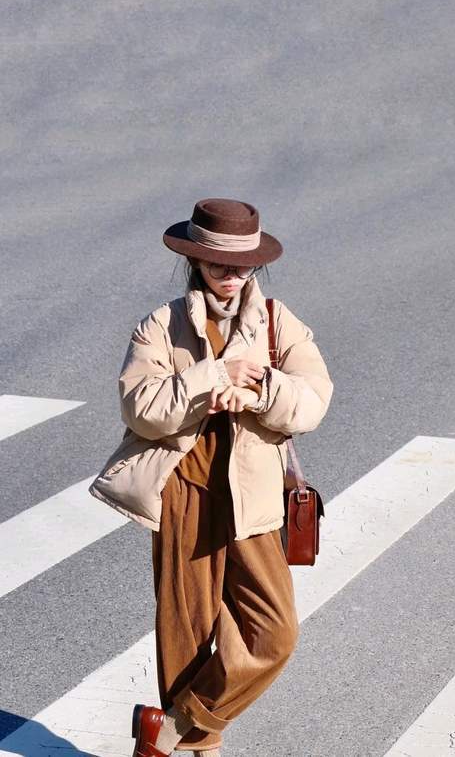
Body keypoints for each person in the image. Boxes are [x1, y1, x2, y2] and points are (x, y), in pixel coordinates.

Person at [89, 198, 333, 756]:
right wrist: (210, 376)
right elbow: (141, 409)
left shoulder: (278, 323)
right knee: (188, 633)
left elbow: (312, 402)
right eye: (220, 264)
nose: (232, 275)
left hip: (252, 498)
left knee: (275, 633)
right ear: (195, 261)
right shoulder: (162, 324)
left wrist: (256, 388)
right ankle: (196, 749)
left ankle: (172, 726)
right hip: (184, 492)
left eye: (243, 264)